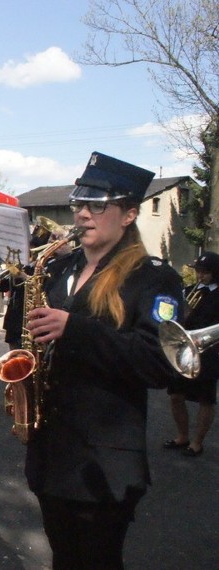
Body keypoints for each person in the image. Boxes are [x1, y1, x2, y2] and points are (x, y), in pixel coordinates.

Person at [23, 151, 183, 569]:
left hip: (104, 463)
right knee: (63, 557)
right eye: (79, 204)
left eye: (98, 206)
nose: (82, 215)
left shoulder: (154, 277)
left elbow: (159, 363)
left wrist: (74, 329)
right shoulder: (61, 268)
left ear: (129, 213)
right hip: (52, 454)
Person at [164, 251, 219, 457]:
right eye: (198, 272)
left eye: (205, 273)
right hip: (185, 350)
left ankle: (197, 442)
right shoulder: (190, 290)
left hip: (209, 351)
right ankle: (182, 436)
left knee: (206, 400)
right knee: (176, 395)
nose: (200, 276)